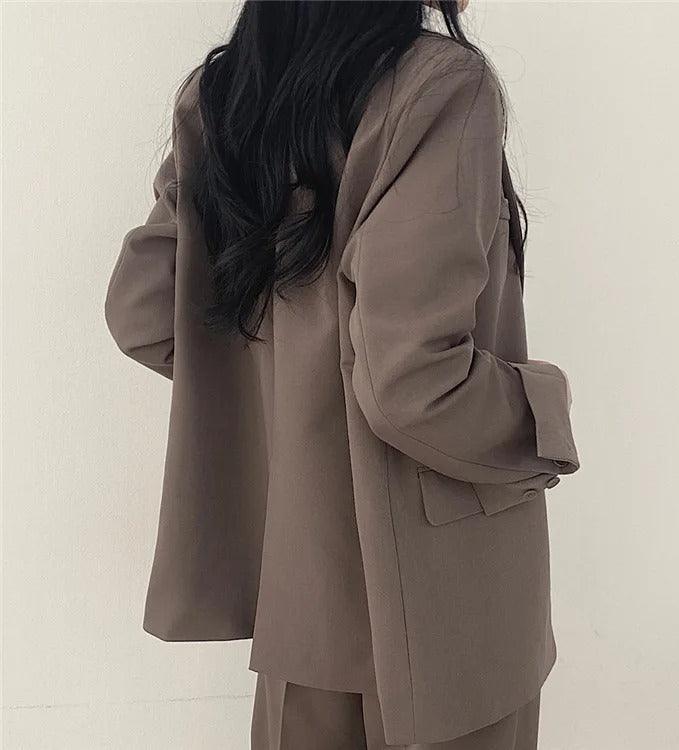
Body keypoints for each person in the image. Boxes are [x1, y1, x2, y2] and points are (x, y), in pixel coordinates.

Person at [104, 2, 580, 748]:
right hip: (442, 608)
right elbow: (413, 381)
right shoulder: (438, 86)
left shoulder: (225, 94)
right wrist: (540, 412)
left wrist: (280, 385)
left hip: (302, 606)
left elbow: (145, 312)